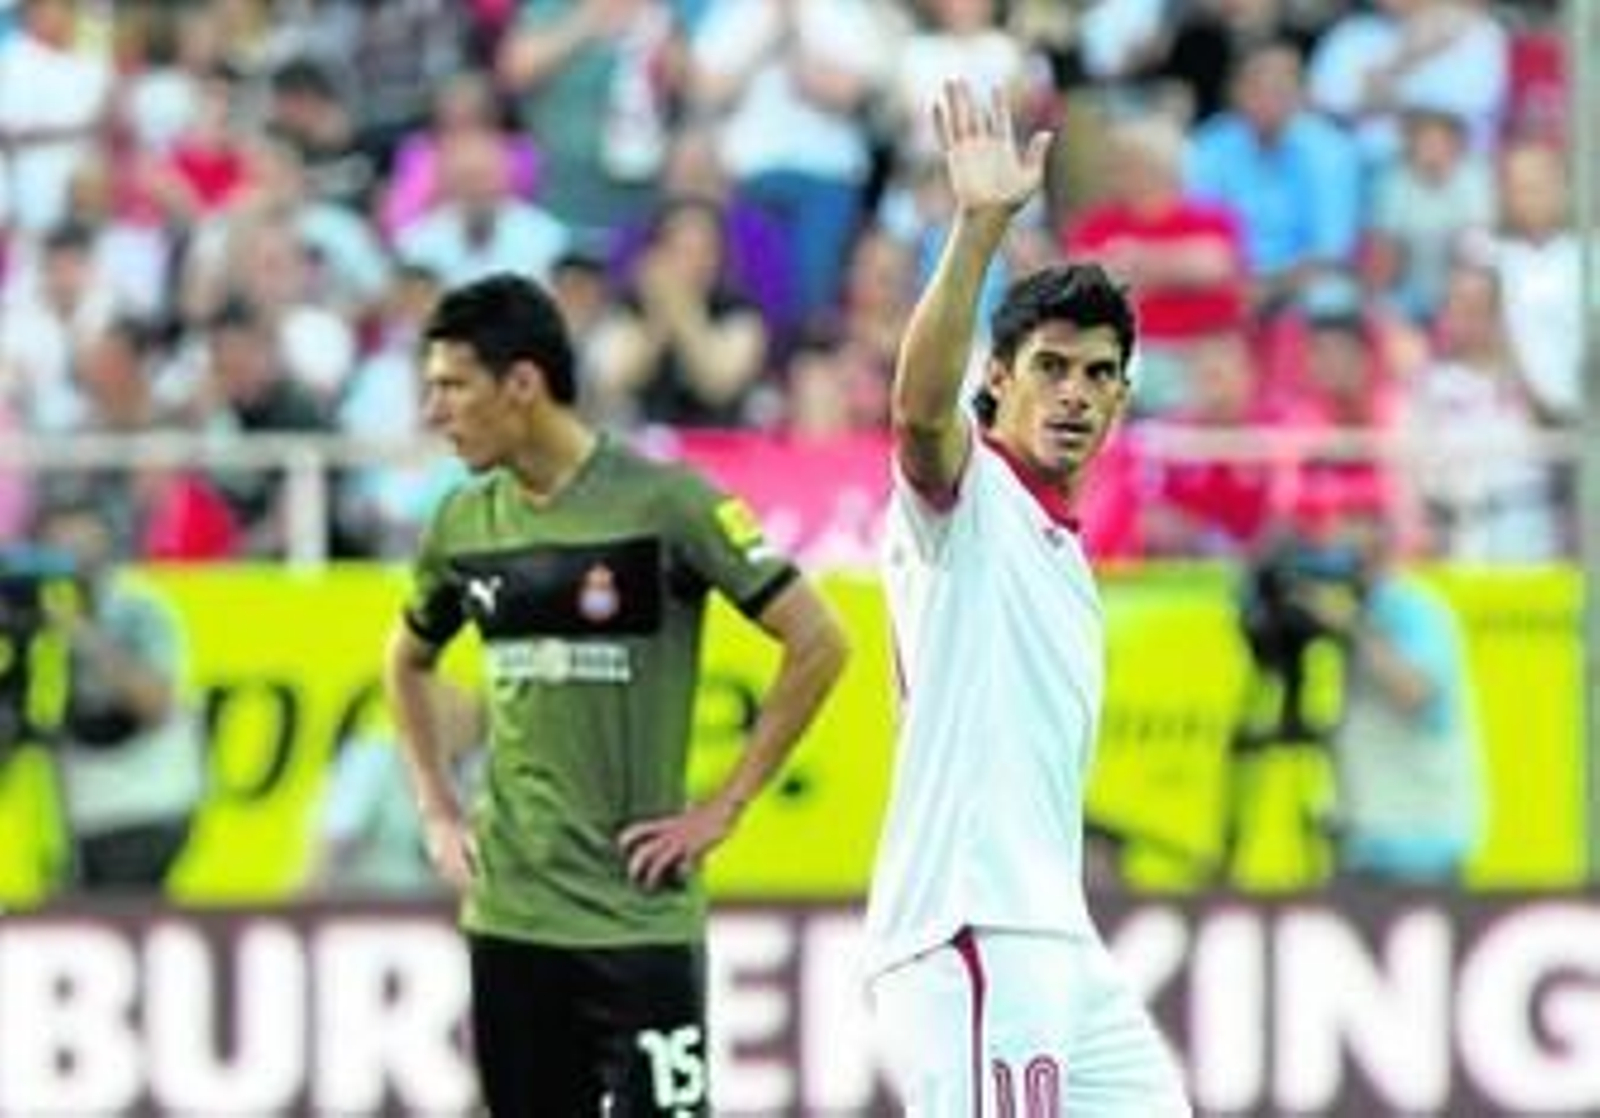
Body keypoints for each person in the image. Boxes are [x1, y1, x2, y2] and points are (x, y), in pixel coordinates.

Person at [383, 271, 849, 1116]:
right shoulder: (462, 523)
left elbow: (819, 640)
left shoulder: (666, 503)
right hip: (512, 919)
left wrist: (725, 806)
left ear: (522, 384)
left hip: (639, 922)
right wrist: (436, 808)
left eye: (452, 386)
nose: (433, 412)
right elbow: (405, 662)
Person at [863, 80, 1189, 1115]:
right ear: (996, 378)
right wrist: (977, 232)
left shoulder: (1059, 542)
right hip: (972, 924)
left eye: (1097, 374)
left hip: (1053, 934)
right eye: (1049, 367)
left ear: (1122, 396)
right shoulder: (971, 498)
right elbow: (918, 417)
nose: (1074, 393)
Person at [33, 491, 205, 891]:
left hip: (143, 805)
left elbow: (156, 703)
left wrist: (80, 632)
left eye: (80, 548)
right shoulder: (38, 616)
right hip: (75, 811)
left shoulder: (138, 609)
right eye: (57, 549)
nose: (71, 562)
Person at [1312, 512, 1484, 885]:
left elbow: (1417, 692)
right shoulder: (1364, 609)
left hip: (1417, 840)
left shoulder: (1412, 609)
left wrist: (1350, 627)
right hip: (1364, 839)